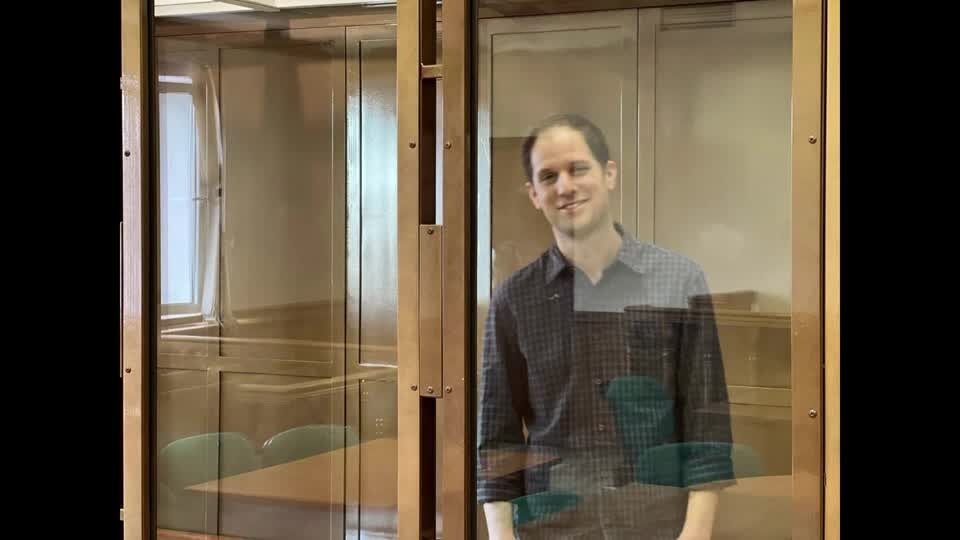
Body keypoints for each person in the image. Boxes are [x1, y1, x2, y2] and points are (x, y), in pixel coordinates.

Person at [477, 113, 736, 540]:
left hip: (657, 524)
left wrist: (695, 534)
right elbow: (498, 443)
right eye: (548, 176)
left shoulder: (679, 281)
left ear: (609, 174)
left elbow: (706, 423)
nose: (565, 186)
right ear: (534, 195)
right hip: (552, 526)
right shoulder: (513, 300)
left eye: (578, 168)